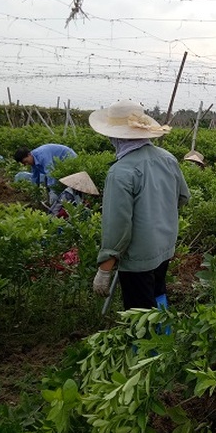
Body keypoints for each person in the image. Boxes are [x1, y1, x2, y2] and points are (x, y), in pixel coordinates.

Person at [90, 99, 190, 310]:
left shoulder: (120, 172)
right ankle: (165, 337)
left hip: (138, 258)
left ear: (114, 135)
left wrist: (105, 268)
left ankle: (147, 343)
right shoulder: (168, 159)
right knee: (158, 294)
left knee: (140, 313)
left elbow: (117, 226)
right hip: (164, 247)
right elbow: (183, 197)